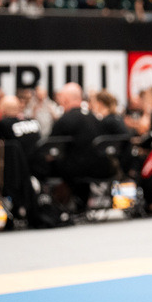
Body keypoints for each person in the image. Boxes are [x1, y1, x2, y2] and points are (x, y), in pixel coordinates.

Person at [49, 82, 107, 211]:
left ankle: (52, 207)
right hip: (101, 168)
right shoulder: (94, 117)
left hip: (75, 171)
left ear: (64, 100)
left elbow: (51, 147)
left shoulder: (64, 121)